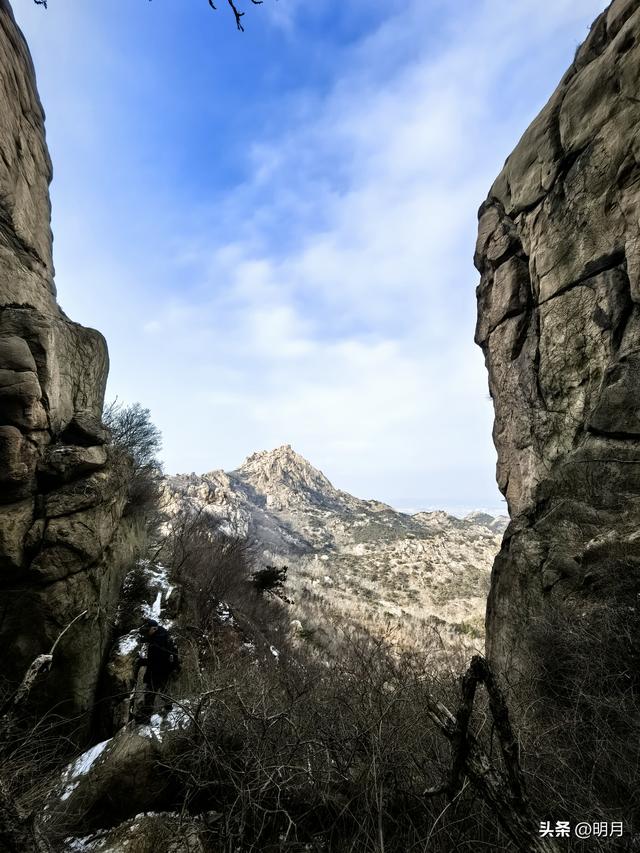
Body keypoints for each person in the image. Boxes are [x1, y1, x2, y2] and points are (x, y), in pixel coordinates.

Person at [135, 618, 180, 723]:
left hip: (158, 671)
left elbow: (155, 661)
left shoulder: (158, 642)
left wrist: (142, 661)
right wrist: (143, 639)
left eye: (148, 629)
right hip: (165, 670)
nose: (147, 631)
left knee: (150, 694)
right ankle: (169, 707)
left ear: (154, 629)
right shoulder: (161, 633)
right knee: (164, 691)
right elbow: (151, 638)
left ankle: (145, 718)